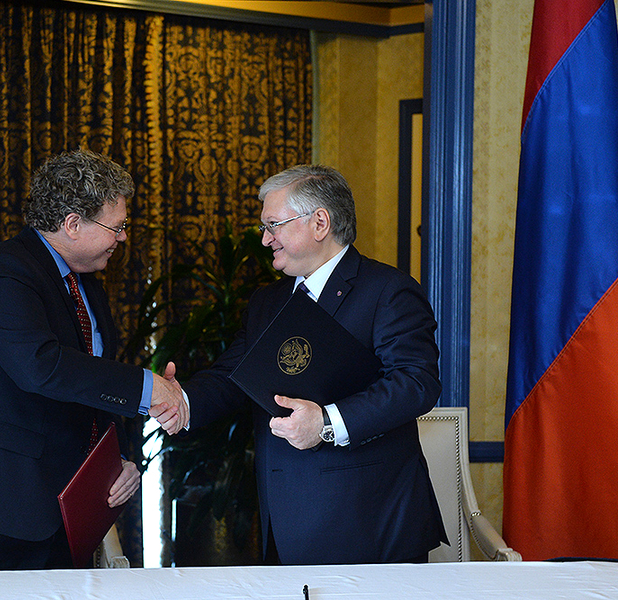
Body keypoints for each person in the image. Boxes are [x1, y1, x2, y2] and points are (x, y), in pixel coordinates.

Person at [0, 149, 188, 572]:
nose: (123, 237)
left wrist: (119, 462)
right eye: (117, 227)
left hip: (61, 514)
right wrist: (150, 389)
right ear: (73, 224)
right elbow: (42, 368)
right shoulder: (1, 271)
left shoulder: (85, 282)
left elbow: (85, 390)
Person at [174, 164, 446, 565]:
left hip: (369, 522)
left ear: (319, 222)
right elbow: (234, 375)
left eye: (274, 225)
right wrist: (179, 400)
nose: (265, 239)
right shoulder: (267, 300)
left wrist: (327, 423)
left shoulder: (388, 290)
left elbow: (416, 381)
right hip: (284, 521)